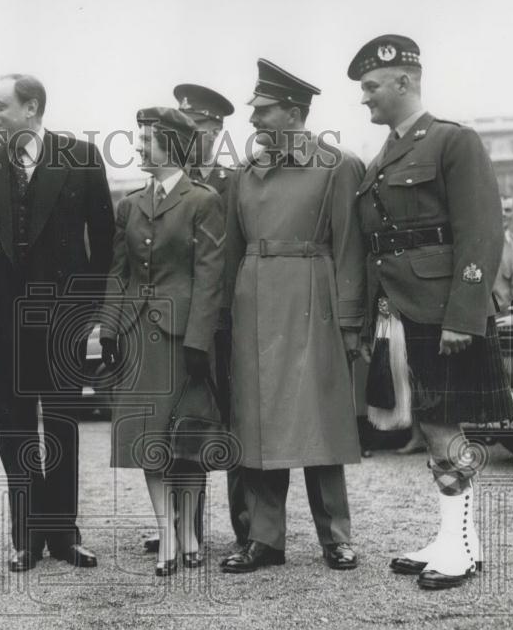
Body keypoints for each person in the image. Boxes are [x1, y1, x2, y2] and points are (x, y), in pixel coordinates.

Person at [348, 34, 513, 589]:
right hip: (403, 310)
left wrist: (464, 316)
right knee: (429, 419)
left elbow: (482, 232)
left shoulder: (451, 141)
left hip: (442, 311)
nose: (365, 98)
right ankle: (453, 539)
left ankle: (462, 549)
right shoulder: (385, 155)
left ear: (403, 81)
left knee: (445, 425)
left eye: (371, 87)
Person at [0, 74, 114, 571]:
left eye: (0, 105)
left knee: (62, 426)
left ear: (32, 107)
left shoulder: (81, 158)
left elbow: (104, 241)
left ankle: (64, 533)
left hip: (63, 317)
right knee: (15, 429)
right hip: (4, 320)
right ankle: (28, 536)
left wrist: (87, 313)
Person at [219, 59, 366, 574]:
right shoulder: (243, 173)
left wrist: (350, 322)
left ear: (294, 112)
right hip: (254, 303)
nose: (254, 119)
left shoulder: (337, 165)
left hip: (314, 302)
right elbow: (230, 253)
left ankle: (336, 537)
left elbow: (350, 249)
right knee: (257, 422)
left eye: (263, 110)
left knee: (321, 421)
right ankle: (264, 540)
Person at [99, 107, 226, 575]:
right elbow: (118, 273)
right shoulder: (130, 204)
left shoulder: (203, 200)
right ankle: (168, 533)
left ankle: (190, 529)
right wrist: (109, 329)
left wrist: (199, 340)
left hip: (182, 339)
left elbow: (210, 277)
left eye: (147, 140)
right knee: (149, 438)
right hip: (138, 338)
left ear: (171, 145)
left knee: (189, 437)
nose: (137, 146)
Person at [140, 84, 241, 557]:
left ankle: (231, 528)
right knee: (174, 423)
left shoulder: (230, 181)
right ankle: (178, 527)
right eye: (183, 127)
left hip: (222, 318)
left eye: (197, 127)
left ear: (216, 130)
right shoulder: (155, 189)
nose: (190, 134)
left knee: (208, 424)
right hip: (176, 322)